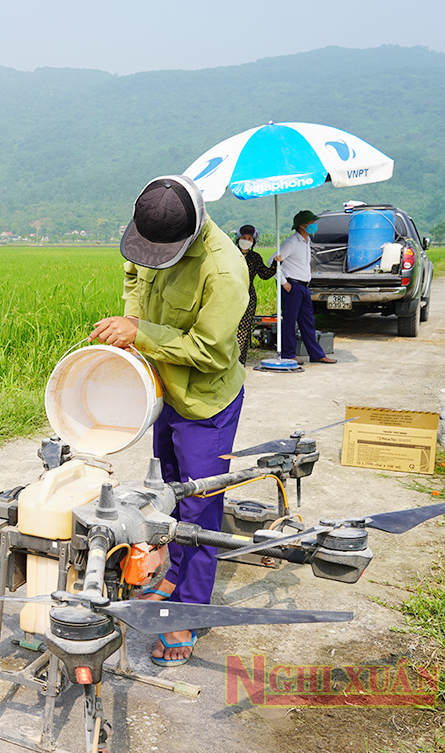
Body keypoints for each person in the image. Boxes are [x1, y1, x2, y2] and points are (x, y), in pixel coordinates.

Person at [89, 175, 247, 667]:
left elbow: (212, 351)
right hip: (164, 391)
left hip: (204, 401)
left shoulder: (223, 270)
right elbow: (135, 276)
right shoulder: (150, 233)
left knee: (200, 508)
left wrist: (142, 332)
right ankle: (172, 579)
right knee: (167, 493)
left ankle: (189, 614)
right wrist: (133, 328)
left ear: (193, 232)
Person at [276, 211, 336, 364]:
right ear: (303, 226)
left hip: (304, 287)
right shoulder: (292, 243)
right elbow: (273, 263)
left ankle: (316, 354)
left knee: (308, 322)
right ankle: (288, 355)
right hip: (292, 287)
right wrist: (284, 283)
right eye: (311, 223)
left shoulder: (307, 241)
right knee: (290, 322)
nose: (314, 225)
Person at [235, 224, 277, 365]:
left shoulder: (255, 257)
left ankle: (240, 363)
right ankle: (227, 360)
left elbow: (265, 275)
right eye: (244, 237)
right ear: (238, 238)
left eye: (249, 238)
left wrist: (275, 264)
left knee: (244, 330)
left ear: (253, 241)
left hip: (248, 297)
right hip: (230, 295)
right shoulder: (229, 254)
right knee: (229, 328)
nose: (246, 240)